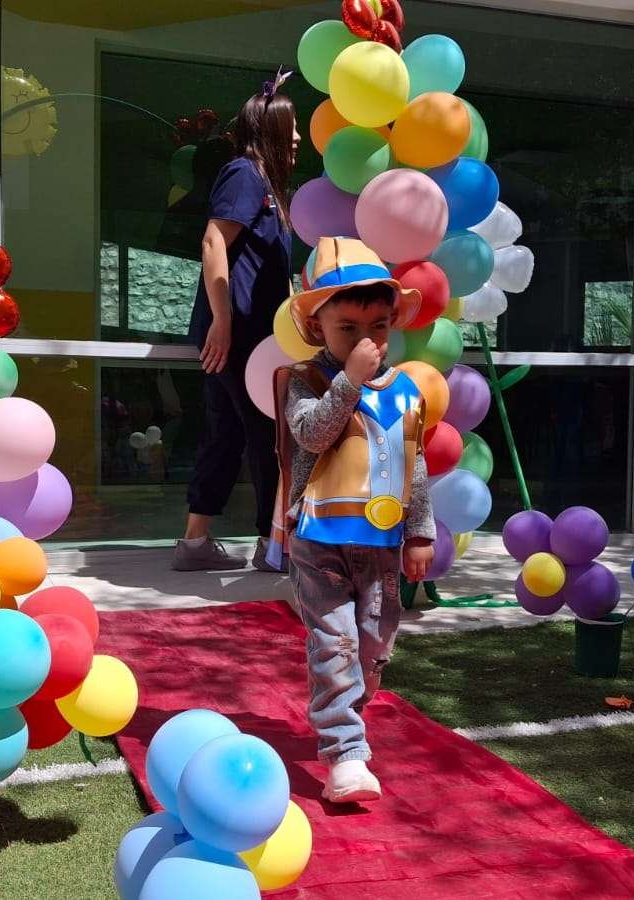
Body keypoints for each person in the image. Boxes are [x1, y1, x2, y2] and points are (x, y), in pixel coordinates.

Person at [272, 236, 432, 803]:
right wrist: (350, 381)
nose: (366, 340)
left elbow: (414, 463)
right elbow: (312, 433)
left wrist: (419, 532)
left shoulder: (406, 390)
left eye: (378, 326)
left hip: (381, 544)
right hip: (319, 540)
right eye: (348, 328)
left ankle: (349, 714)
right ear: (318, 327)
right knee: (334, 644)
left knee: (371, 648)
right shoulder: (306, 380)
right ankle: (345, 752)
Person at [174, 72, 298, 573]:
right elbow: (213, 242)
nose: (297, 138)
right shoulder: (246, 174)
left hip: (251, 334)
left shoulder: (266, 184)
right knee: (267, 435)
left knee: (225, 434)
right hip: (241, 334)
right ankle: (271, 544)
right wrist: (222, 320)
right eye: (290, 128)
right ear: (269, 130)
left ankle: (194, 542)